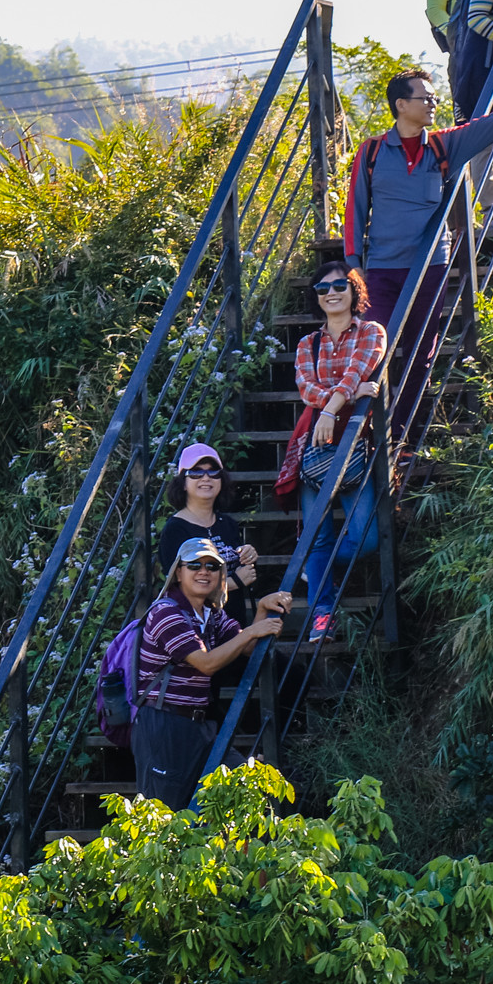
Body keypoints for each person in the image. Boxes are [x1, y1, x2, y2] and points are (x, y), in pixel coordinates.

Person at [342, 67, 493, 445]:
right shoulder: (372, 151)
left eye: (434, 98)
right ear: (401, 104)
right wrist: (354, 265)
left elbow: (492, 124)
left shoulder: (443, 146)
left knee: (420, 356)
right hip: (382, 270)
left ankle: (402, 440)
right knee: (373, 349)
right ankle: (366, 434)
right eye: (425, 98)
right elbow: (355, 209)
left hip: (429, 268)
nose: (433, 103)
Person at [133, 539, 291, 809]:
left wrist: (262, 609)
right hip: (164, 724)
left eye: (212, 566)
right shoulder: (166, 613)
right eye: (194, 565)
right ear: (178, 573)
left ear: (220, 574)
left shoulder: (212, 614)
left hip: (200, 726)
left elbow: (247, 647)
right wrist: (254, 630)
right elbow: (206, 663)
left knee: (244, 794)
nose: (203, 571)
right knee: (164, 817)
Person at [293, 271, 387, 642]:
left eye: (338, 286)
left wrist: (333, 406)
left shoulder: (371, 331)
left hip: (355, 442)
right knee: (317, 538)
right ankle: (322, 615)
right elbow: (306, 389)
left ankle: (316, 570)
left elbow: (358, 370)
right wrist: (340, 400)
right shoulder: (307, 343)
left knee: (366, 537)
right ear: (316, 296)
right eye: (322, 288)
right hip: (316, 444)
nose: (331, 293)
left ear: (354, 290)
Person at [153, 442, 260, 618]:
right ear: (183, 483)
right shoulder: (175, 529)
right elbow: (180, 588)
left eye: (213, 471)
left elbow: (243, 572)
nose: (206, 478)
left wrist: (248, 555)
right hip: (195, 628)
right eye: (195, 472)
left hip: (232, 624)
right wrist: (233, 583)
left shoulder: (228, 524)